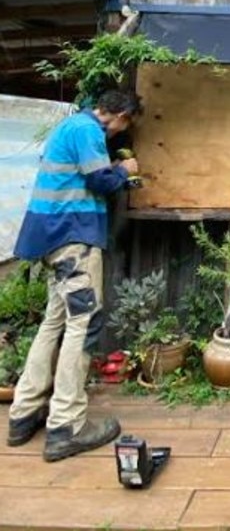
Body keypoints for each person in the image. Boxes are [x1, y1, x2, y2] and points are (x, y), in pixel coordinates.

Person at [6, 89, 143, 462]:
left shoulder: (68, 127)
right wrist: (123, 170)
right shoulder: (87, 131)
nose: (118, 132)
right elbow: (100, 181)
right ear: (118, 114)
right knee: (85, 322)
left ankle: (24, 412)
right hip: (72, 238)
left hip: (48, 237)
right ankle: (66, 424)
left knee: (55, 320)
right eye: (123, 124)